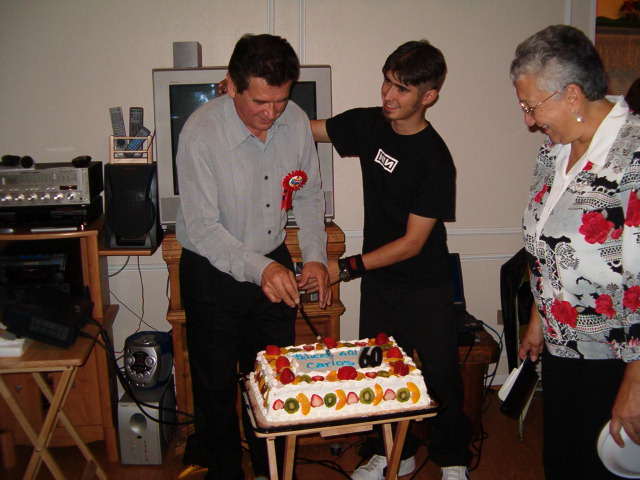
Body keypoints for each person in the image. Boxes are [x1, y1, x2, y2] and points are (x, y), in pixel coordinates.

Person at [312, 40, 472, 480]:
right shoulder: (368, 125)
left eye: (402, 89)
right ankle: (392, 455)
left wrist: (344, 268)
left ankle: (453, 460)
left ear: (428, 96)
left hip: (425, 285)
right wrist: (251, 104)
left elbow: (411, 244)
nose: (388, 95)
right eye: (387, 82)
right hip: (381, 283)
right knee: (377, 372)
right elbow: (306, 129)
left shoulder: (435, 159)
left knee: (440, 377)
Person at [176, 33, 331, 480]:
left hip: (272, 258)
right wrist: (262, 268)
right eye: (261, 102)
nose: (272, 113)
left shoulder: (295, 121)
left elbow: (308, 194)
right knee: (214, 385)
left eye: (281, 100)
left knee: (272, 378)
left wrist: (315, 256)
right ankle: (226, 472)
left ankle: (272, 471)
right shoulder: (201, 133)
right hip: (211, 269)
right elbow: (204, 228)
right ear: (231, 85)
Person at [512, 25, 640, 480]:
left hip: (617, 359)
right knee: (562, 463)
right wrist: (538, 317)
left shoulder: (634, 156)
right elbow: (545, 245)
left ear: (571, 95)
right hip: (563, 348)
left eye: (532, 106)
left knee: (602, 470)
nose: (529, 121)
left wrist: (636, 380)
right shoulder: (553, 152)